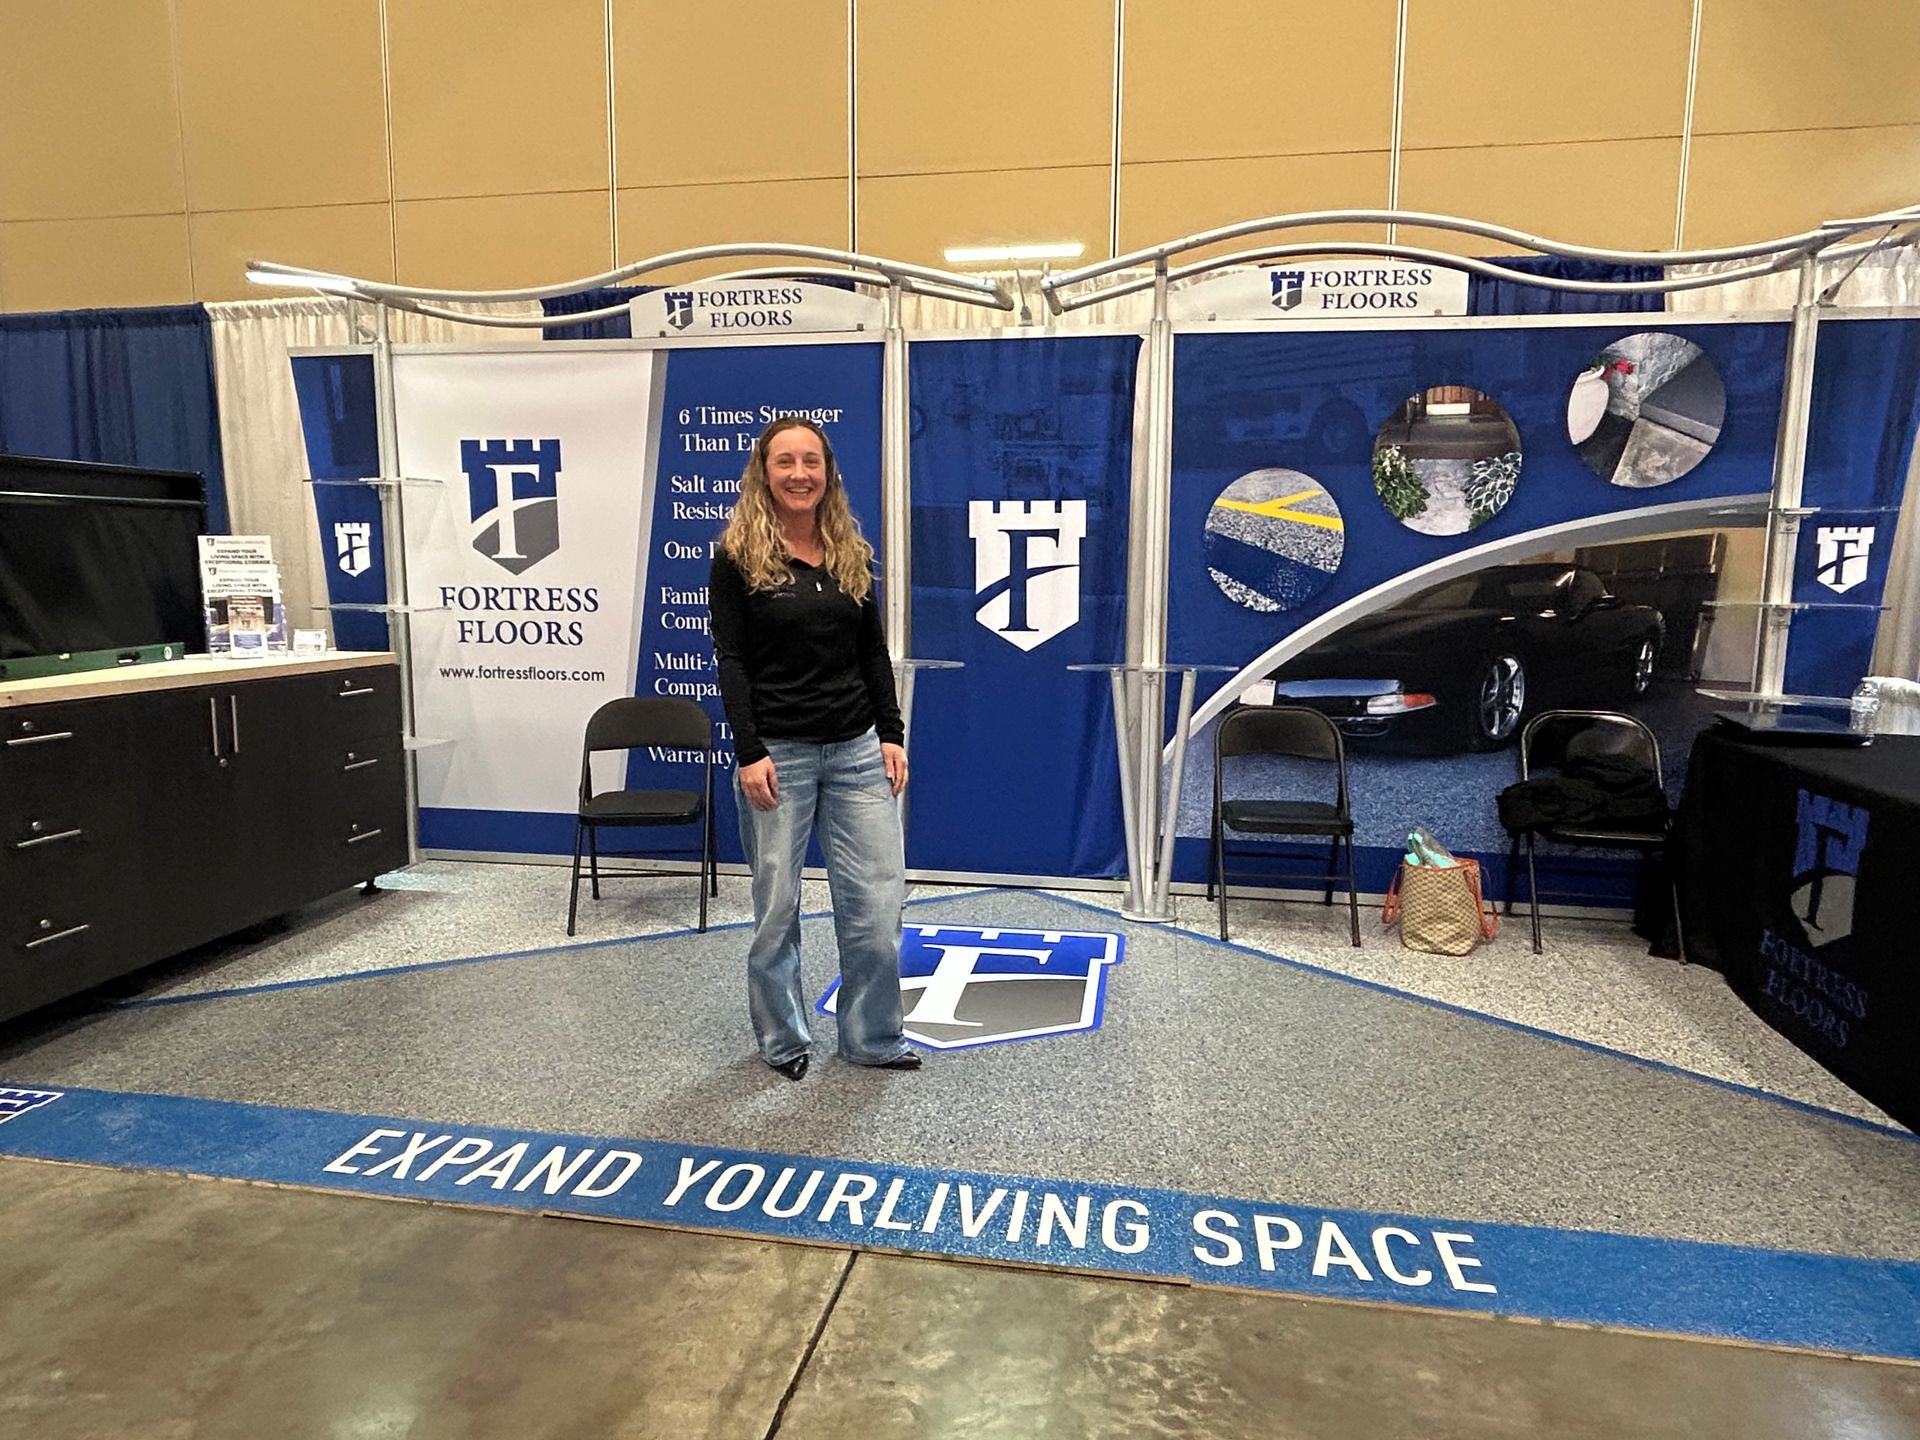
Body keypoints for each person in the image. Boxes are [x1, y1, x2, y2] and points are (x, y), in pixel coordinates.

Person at [709, 415, 918, 1081]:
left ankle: (871, 1037)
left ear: (827, 473)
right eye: (785, 462)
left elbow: (871, 653)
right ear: (763, 473)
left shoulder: (849, 551)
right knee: (778, 910)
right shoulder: (736, 559)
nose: (799, 474)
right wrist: (749, 750)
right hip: (779, 755)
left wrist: (890, 733)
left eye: (811, 462)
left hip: (856, 750)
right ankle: (784, 1039)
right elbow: (732, 662)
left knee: (879, 905)